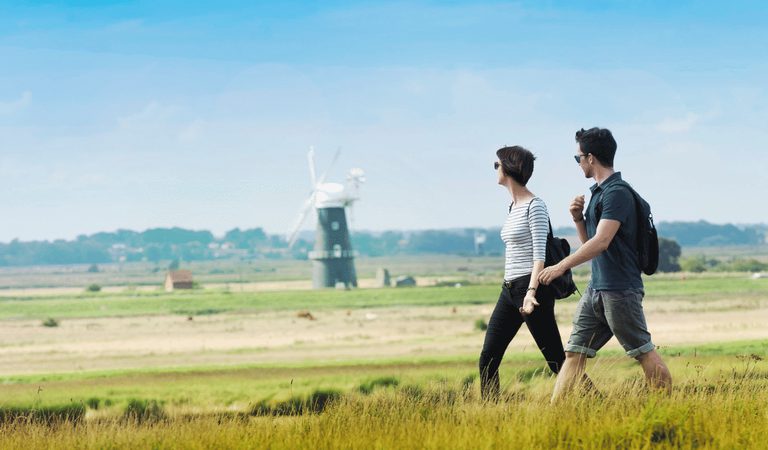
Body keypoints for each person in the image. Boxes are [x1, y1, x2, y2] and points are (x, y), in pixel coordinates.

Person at [538, 127, 672, 402]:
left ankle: (665, 410)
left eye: (578, 159)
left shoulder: (617, 194)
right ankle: (554, 416)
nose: (578, 164)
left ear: (590, 158)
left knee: (642, 351)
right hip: (597, 288)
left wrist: (560, 266)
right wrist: (577, 219)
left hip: (620, 290)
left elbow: (601, 242)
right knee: (574, 352)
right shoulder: (600, 193)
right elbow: (595, 246)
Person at [479, 145, 565, 401]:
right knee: (487, 359)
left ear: (509, 167)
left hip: (531, 291)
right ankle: (490, 414)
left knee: (557, 361)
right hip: (509, 290)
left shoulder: (534, 206)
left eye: (497, 164)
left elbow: (540, 253)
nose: (495, 169)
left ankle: (596, 405)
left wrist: (530, 293)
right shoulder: (513, 207)